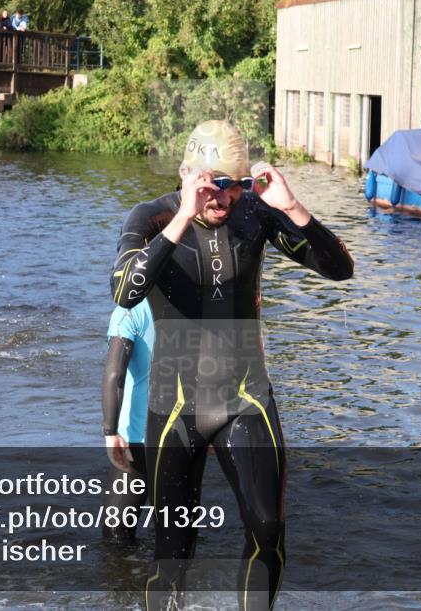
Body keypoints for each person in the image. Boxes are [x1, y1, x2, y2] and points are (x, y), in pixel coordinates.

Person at [110, 120, 354, 610]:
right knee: (173, 550)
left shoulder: (256, 215)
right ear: (186, 174)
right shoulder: (152, 217)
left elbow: (340, 269)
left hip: (246, 399)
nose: (224, 198)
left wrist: (292, 208)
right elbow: (124, 290)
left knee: (268, 528)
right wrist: (184, 215)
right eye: (213, 184)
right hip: (173, 407)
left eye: (235, 185)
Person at [101, 300, 154, 541]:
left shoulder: (130, 311)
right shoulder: (193, 302)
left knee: (116, 532)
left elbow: (114, 375)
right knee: (178, 530)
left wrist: (110, 432)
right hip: (184, 432)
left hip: (137, 438)